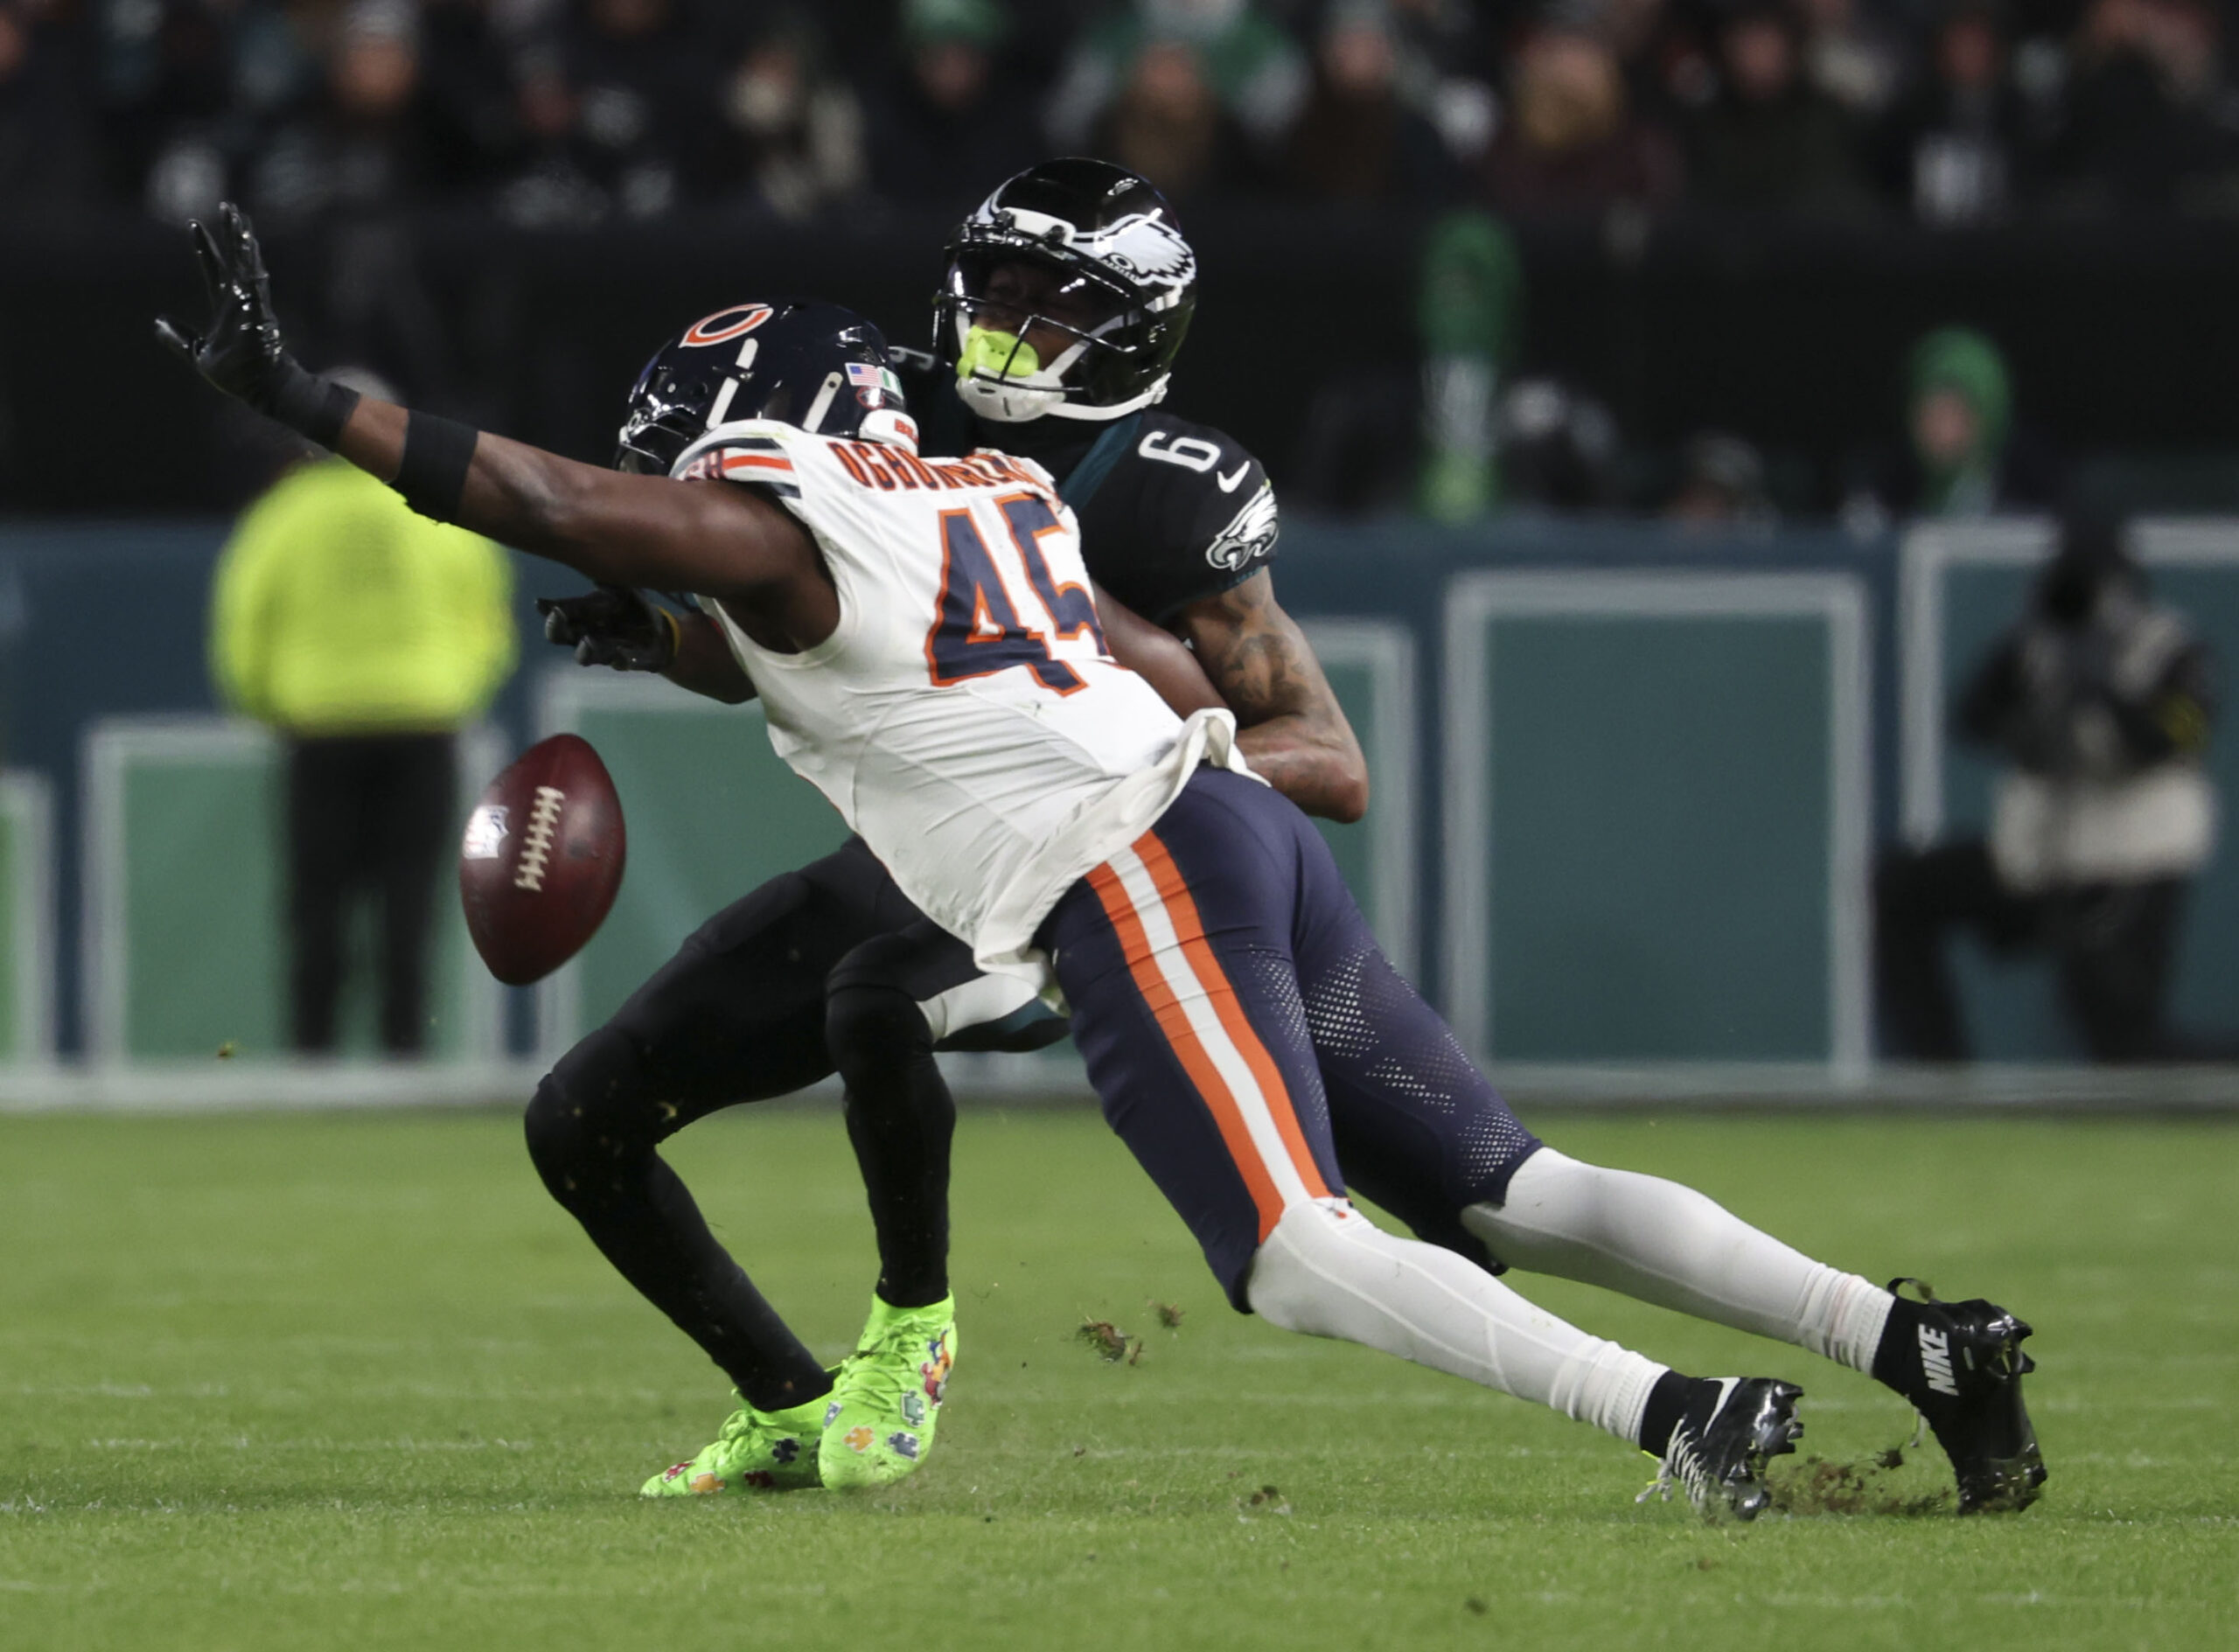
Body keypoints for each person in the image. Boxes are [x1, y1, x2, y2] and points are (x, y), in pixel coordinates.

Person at [162, 202, 2047, 1522]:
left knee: (1295, 1253)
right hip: (1214, 826)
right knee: (1510, 1183)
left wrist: (304, 400)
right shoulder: (986, 491)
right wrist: (670, 642)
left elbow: (561, 497)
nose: (696, 507)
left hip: (1123, 866)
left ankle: (1678, 1416)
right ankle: (1908, 1335)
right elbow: (1037, 664)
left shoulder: (798, 507)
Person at [206, 368, 516, 1056]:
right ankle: (404, 1054)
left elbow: (241, 627)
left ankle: (312, 1055)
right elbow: (488, 622)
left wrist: (268, 705)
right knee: (409, 900)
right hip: (424, 719)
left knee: (317, 903)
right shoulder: (437, 509)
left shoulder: (281, 517)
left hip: (319, 725)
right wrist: (451, 691)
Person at [1876, 513, 2219, 1062]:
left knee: (2125, 1047)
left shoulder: (2170, 648)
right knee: (1903, 886)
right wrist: (2038, 702)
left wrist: (2104, 689)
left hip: (2130, 861)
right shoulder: (2036, 645)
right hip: (2044, 853)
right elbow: (1971, 719)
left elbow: (2177, 735)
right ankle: (1937, 1076)